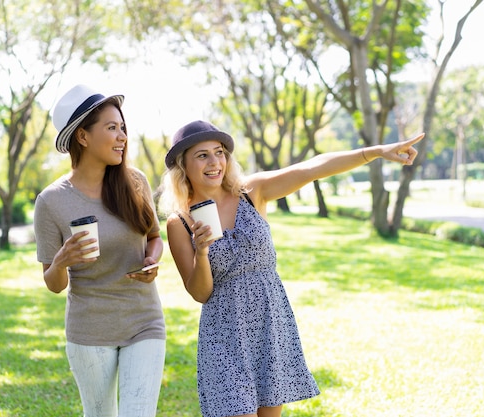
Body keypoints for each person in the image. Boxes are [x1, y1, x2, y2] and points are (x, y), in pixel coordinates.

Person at [159, 120, 424, 417]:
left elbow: (313, 168)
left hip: (270, 325)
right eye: (202, 155)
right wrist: (203, 251)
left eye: (219, 152)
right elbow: (199, 293)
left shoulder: (252, 192)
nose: (215, 162)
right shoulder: (179, 222)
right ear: (183, 165)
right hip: (224, 336)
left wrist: (376, 151)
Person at [33, 84, 166, 417]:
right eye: (112, 128)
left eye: (123, 128)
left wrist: (152, 259)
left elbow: (154, 236)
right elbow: (53, 282)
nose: (122, 136)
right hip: (89, 329)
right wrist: (62, 261)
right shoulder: (51, 201)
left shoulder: (134, 181)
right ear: (83, 137)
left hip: (143, 319)